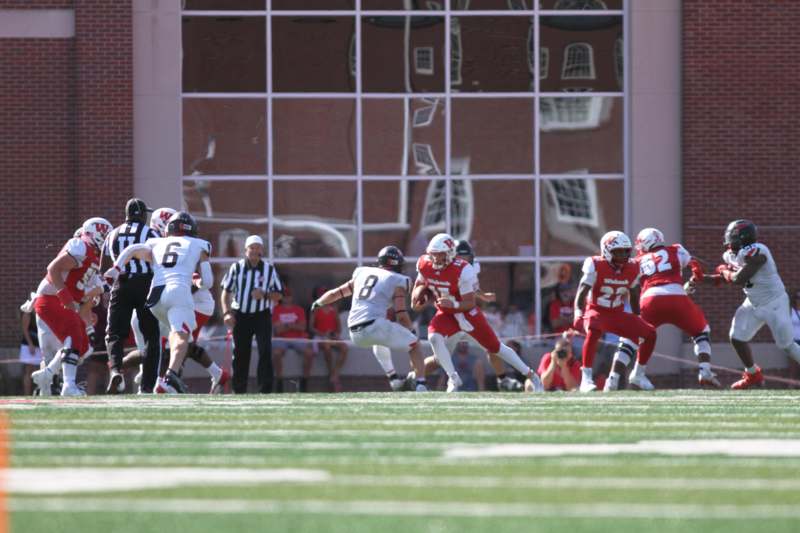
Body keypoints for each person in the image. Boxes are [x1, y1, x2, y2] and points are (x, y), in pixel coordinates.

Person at [412, 233, 543, 393]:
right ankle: (453, 378)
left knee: (495, 347)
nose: (436, 259)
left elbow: (469, 302)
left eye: (440, 255)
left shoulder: (463, 269)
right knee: (433, 338)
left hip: (467, 314)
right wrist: (416, 297)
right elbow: (419, 285)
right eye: (433, 255)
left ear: (450, 254)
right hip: (446, 314)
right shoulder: (424, 264)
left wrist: (454, 302)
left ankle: (531, 375)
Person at [105, 211, 212, 394]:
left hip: (154, 298)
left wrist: (116, 269)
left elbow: (133, 249)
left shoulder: (156, 243)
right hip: (178, 293)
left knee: (169, 332)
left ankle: (154, 376)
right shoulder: (200, 244)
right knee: (182, 337)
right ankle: (169, 378)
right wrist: (201, 283)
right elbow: (208, 281)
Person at [605, 227, 720, 390]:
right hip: (677, 298)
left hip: (649, 300)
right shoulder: (676, 249)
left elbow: (626, 282)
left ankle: (613, 380)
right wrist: (695, 278)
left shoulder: (637, 260)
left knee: (630, 339)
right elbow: (695, 267)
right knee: (701, 331)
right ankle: (705, 370)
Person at [689, 220, 800, 389]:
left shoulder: (758, 250)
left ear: (743, 237)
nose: (728, 238)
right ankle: (753, 374)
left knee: (787, 346)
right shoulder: (730, 255)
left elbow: (738, 278)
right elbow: (725, 278)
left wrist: (724, 271)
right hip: (753, 302)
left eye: (732, 235)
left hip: (774, 303)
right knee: (737, 337)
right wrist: (702, 278)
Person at [311, 245, 427, 392]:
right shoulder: (398, 280)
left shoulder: (362, 273)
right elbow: (402, 315)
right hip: (373, 326)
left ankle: (394, 380)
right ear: (397, 264)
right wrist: (412, 331)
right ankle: (421, 384)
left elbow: (336, 293)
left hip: (355, 332)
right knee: (415, 345)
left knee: (379, 341)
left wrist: (318, 303)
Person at [31, 217, 112, 396]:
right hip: (51, 298)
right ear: (97, 233)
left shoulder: (92, 258)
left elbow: (83, 298)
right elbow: (53, 268)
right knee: (73, 338)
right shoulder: (81, 246)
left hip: (60, 301)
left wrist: (88, 325)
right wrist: (65, 296)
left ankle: (49, 374)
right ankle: (66, 384)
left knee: (84, 346)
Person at [572, 230, 657, 393]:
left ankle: (638, 374)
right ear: (606, 251)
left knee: (650, 333)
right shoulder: (595, 264)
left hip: (616, 313)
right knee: (594, 330)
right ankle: (586, 378)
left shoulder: (632, 267)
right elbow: (582, 291)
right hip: (596, 310)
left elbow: (634, 294)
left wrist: (637, 318)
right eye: (618, 252)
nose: (623, 255)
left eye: (626, 251)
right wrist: (577, 313)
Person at [103, 198, 162, 394]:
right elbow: (158, 261)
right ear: (143, 215)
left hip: (121, 283)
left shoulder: (112, 234)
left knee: (114, 333)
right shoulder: (150, 233)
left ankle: (115, 370)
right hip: (145, 283)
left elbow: (105, 266)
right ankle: (146, 385)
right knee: (151, 336)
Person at [220, 235, 282, 394]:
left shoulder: (269, 269)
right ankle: (239, 390)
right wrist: (227, 313)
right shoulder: (236, 267)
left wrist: (264, 295)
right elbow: (225, 293)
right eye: (251, 247)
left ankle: (265, 390)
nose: (254, 250)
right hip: (241, 315)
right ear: (245, 250)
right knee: (240, 352)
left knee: (265, 351)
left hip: (261, 315)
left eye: (257, 247)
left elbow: (279, 295)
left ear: (262, 250)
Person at [272, 288, 315, 392]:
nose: (287, 298)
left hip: (298, 338)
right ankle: (279, 381)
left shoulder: (299, 309)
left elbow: (303, 327)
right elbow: (277, 330)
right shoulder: (276, 309)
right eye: (285, 296)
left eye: (289, 296)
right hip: (281, 339)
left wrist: (286, 326)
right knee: (276, 353)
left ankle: (304, 381)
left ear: (292, 297)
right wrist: (293, 325)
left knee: (309, 353)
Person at [310, 287, 349, 392]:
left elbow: (339, 327)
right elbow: (311, 327)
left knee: (344, 348)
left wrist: (335, 334)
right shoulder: (315, 308)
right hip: (320, 336)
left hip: (332, 336)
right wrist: (323, 334)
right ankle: (331, 374)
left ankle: (334, 374)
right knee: (327, 347)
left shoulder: (334, 308)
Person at [19, 299, 43, 395]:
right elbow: (24, 330)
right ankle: (27, 394)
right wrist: (30, 344)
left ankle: (38, 393)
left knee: (39, 371)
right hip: (29, 346)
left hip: (39, 345)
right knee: (28, 371)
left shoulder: (40, 313)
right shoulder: (27, 314)